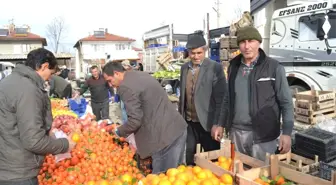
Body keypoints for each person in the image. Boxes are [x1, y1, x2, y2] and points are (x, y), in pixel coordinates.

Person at [0, 48, 75, 184]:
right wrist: (64, 145)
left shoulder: (8, 82)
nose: (50, 78)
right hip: (19, 171)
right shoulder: (28, 89)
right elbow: (33, 140)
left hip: (6, 163)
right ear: (44, 66)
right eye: (50, 73)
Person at [219, 26, 294, 161]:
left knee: (262, 177)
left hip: (263, 136)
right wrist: (220, 123)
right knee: (238, 175)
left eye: (251, 41)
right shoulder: (233, 67)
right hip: (237, 133)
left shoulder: (273, 67)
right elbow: (227, 99)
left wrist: (287, 132)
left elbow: (286, 102)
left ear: (259, 43)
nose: (247, 46)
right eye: (243, 42)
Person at [102, 62, 187, 173]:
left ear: (117, 73)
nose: (110, 85)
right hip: (176, 128)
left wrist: (118, 131)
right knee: (176, 175)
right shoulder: (139, 75)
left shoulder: (126, 87)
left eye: (109, 80)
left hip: (163, 139)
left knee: (163, 177)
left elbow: (135, 121)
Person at [178, 34, 227, 166]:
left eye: (199, 53)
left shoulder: (214, 68)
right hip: (189, 123)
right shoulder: (184, 69)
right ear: (188, 52)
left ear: (205, 50)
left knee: (213, 160)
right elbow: (183, 97)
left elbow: (221, 99)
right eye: (192, 53)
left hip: (208, 123)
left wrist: (218, 124)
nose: (196, 56)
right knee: (190, 157)